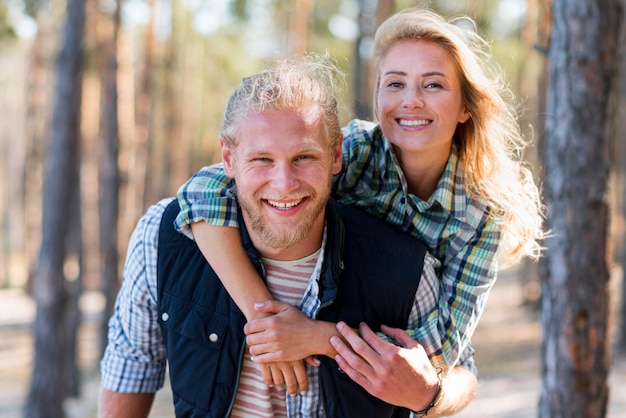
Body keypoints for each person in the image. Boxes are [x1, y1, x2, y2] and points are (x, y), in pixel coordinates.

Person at [175, 5, 545, 381]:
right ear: (378, 96)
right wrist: (262, 313)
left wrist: (318, 337)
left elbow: (441, 347)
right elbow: (202, 188)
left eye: (433, 84)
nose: (411, 100)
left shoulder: (482, 212)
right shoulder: (354, 151)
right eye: (395, 83)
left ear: (466, 106)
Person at [99, 54, 478, 418]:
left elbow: (449, 376)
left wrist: (425, 394)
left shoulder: (406, 270)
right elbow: (132, 365)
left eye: (304, 158)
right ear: (228, 161)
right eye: (262, 159)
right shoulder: (162, 238)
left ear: (335, 157)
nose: (284, 184)